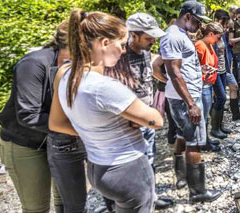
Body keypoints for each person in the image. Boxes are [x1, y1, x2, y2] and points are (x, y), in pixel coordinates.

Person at [48, 9, 164, 211]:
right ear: (104, 43)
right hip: (127, 168)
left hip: (97, 167)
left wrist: (93, 132)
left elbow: (56, 123)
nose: (123, 50)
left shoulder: (65, 74)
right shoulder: (105, 87)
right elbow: (156, 120)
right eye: (120, 44)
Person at [104, 12, 176, 209]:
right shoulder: (116, 57)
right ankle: (115, 204)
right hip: (124, 126)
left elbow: (149, 76)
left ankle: (150, 198)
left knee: (149, 161)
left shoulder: (144, 52)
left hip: (146, 120)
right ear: (133, 35)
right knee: (123, 168)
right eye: (148, 37)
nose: (153, 40)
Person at [0, 21, 69, 213]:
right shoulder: (33, 63)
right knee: (37, 208)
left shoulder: (84, 65)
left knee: (68, 201)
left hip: (59, 139)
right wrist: (77, 129)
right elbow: (28, 115)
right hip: (25, 142)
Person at [160, 0, 222, 203]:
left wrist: (200, 71)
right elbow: (174, 71)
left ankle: (182, 178)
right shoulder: (173, 36)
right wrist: (191, 104)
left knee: (182, 135)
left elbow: (181, 68)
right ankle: (198, 192)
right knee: (194, 143)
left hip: (183, 96)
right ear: (187, 16)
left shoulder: (182, 35)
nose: (200, 26)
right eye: (197, 21)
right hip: (185, 99)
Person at [212, 10, 240, 139]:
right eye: (225, 24)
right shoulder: (211, 33)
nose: (227, 27)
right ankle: (216, 127)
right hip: (216, 71)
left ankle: (235, 114)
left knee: (234, 87)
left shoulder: (222, 33)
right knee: (219, 98)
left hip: (225, 68)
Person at [194, 22, 224, 151]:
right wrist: (204, 70)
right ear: (211, 34)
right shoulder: (200, 46)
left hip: (209, 84)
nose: (219, 41)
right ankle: (203, 142)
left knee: (206, 115)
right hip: (203, 85)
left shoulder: (209, 45)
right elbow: (193, 66)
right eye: (218, 37)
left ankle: (206, 139)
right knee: (204, 116)